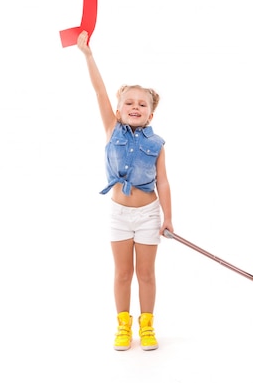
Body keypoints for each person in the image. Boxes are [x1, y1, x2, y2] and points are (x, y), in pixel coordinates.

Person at [76, 30, 173, 351]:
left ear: (150, 113)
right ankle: (123, 325)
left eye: (142, 104)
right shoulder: (111, 128)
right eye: (128, 102)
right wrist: (88, 55)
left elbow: (163, 182)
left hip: (148, 215)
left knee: (146, 274)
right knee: (122, 274)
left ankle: (147, 325)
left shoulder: (157, 144)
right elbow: (99, 91)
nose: (135, 106)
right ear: (118, 110)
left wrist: (167, 219)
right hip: (119, 214)